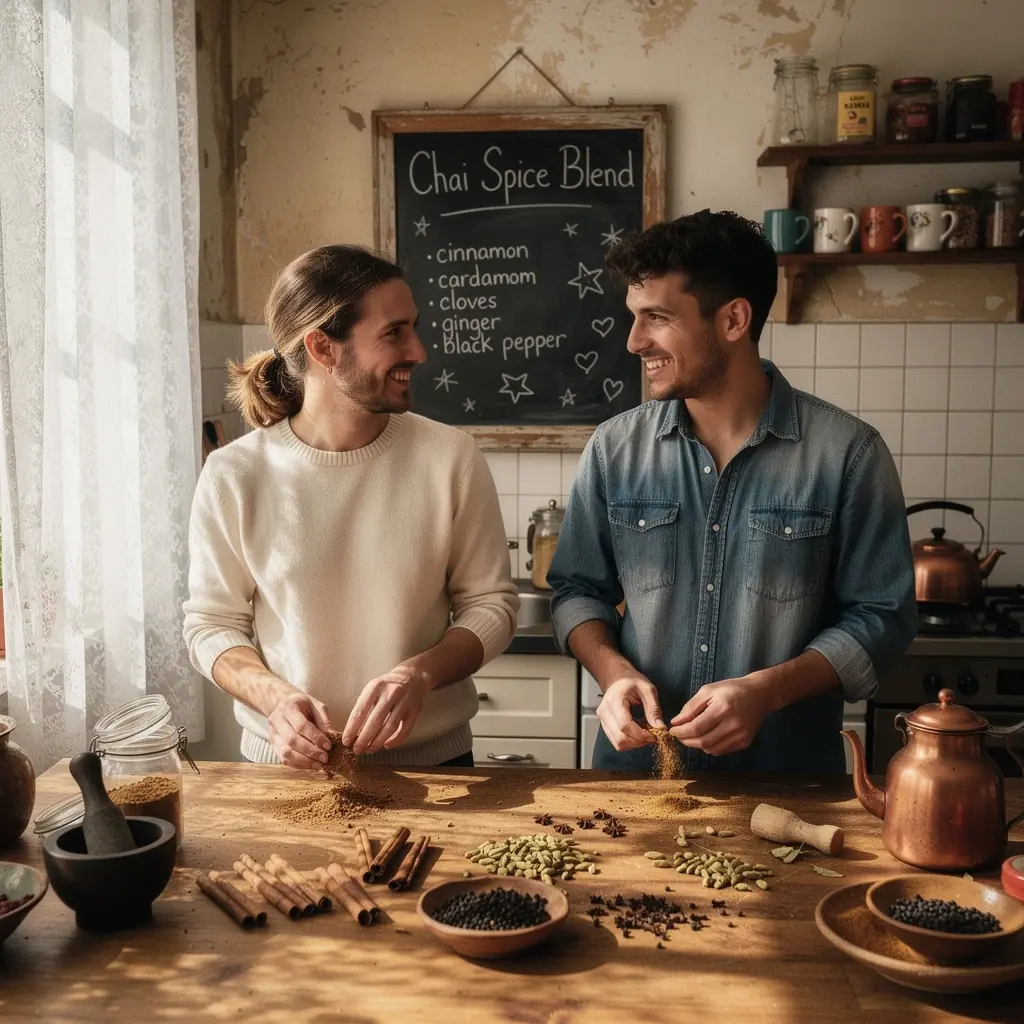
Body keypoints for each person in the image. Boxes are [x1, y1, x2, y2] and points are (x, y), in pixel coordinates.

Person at [548, 210, 917, 774]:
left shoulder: (848, 454)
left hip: (786, 786)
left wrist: (766, 692)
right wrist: (612, 671)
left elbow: (881, 617)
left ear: (734, 319)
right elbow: (576, 590)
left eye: (657, 318)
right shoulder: (613, 449)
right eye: (633, 317)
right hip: (634, 786)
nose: (633, 340)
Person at [183, 245, 519, 769]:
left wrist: (419, 675)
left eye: (415, 327)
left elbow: (491, 606)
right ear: (322, 348)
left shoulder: (451, 458)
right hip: (287, 772)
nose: (419, 351)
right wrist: (274, 697)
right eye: (394, 332)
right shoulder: (234, 474)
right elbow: (210, 625)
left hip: (433, 767)